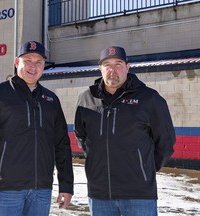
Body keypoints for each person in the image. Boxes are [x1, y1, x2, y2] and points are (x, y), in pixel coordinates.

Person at [0, 41, 74, 216]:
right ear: (17, 62)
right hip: (6, 190)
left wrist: (66, 185)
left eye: (38, 62)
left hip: (41, 190)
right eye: (28, 61)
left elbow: (62, 145)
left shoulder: (51, 100)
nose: (33, 67)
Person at [74, 46, 176, 216]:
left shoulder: (149, 98)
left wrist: (144, 168)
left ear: (128, 67)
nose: (112, 69)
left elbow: (166, 142)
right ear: (100, 69)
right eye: (107, 64)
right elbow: (82, 137)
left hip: (139, 196)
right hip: (100, 195)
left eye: (118, 64)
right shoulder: (86, 99)